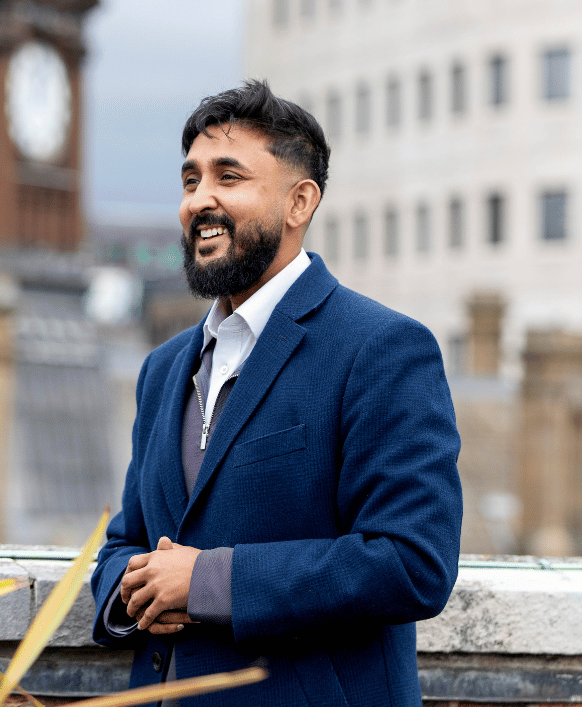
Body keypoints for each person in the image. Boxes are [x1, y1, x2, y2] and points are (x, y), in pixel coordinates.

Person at [91, 80, 462, 707]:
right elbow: (125, 541)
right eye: (190, 181)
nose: (199, 201)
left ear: (299, 203)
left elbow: (411, 562)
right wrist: (132, 590)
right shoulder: (162, 368)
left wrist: (208, 580)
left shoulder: (383, 349)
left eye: (228, 178)